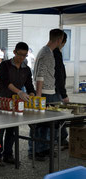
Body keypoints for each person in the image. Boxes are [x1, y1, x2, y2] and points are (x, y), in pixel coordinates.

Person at [0, 42, 35, 166]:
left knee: (13, 130)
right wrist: (20, 92)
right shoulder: (5, 65)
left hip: (16, 103)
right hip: (3, 101)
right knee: (0, 130)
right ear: (15, 52)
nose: (22, 58)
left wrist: (32, 95)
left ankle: (8, 155)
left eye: (24, 55)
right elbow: (5, 82)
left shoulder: (26, 69)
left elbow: (29, 85)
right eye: (20, 54)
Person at [28, 28, 64, 160]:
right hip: (45, 93)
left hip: (48, 91)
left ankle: (43, 149)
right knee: (39, 125)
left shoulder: (45, 51)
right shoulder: (47, 54)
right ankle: (35, 151)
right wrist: (38, 95)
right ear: (59, 40)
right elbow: (40, 75)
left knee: (46, 125)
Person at [53, 32, 69, 148]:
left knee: (58, 116)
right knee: (58, 116)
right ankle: (60, 140)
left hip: (55, 89)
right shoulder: (55, 53)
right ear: (62, 41)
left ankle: (61, 139)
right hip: (55, 90)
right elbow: (58, 75)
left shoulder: (53, 52)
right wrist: (64, 94)